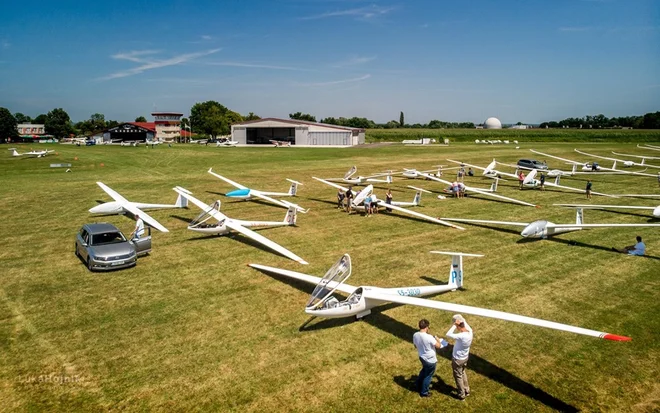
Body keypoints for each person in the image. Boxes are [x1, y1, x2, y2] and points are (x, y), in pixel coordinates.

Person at [413, 319, 446, 397]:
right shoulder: (429, 337)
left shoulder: (415, 335)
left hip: (422, 357)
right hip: (430, 360)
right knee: (428, 376)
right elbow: (438, 346)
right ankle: (424, 392)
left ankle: (417, 384)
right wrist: (438, 340)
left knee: (424, 370)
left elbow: (415, 345)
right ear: (427, 327)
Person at [445, 314, 473, 401]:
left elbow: (448, 334)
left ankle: (461, 394)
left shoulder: (461, 336)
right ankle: (466, 389)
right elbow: (465, 323)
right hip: (465, 358)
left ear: (458, 326)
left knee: (458, 376)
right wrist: (460, 319)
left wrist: (454, 325)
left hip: (457, 359)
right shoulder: (470, 331)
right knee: (463, 372)